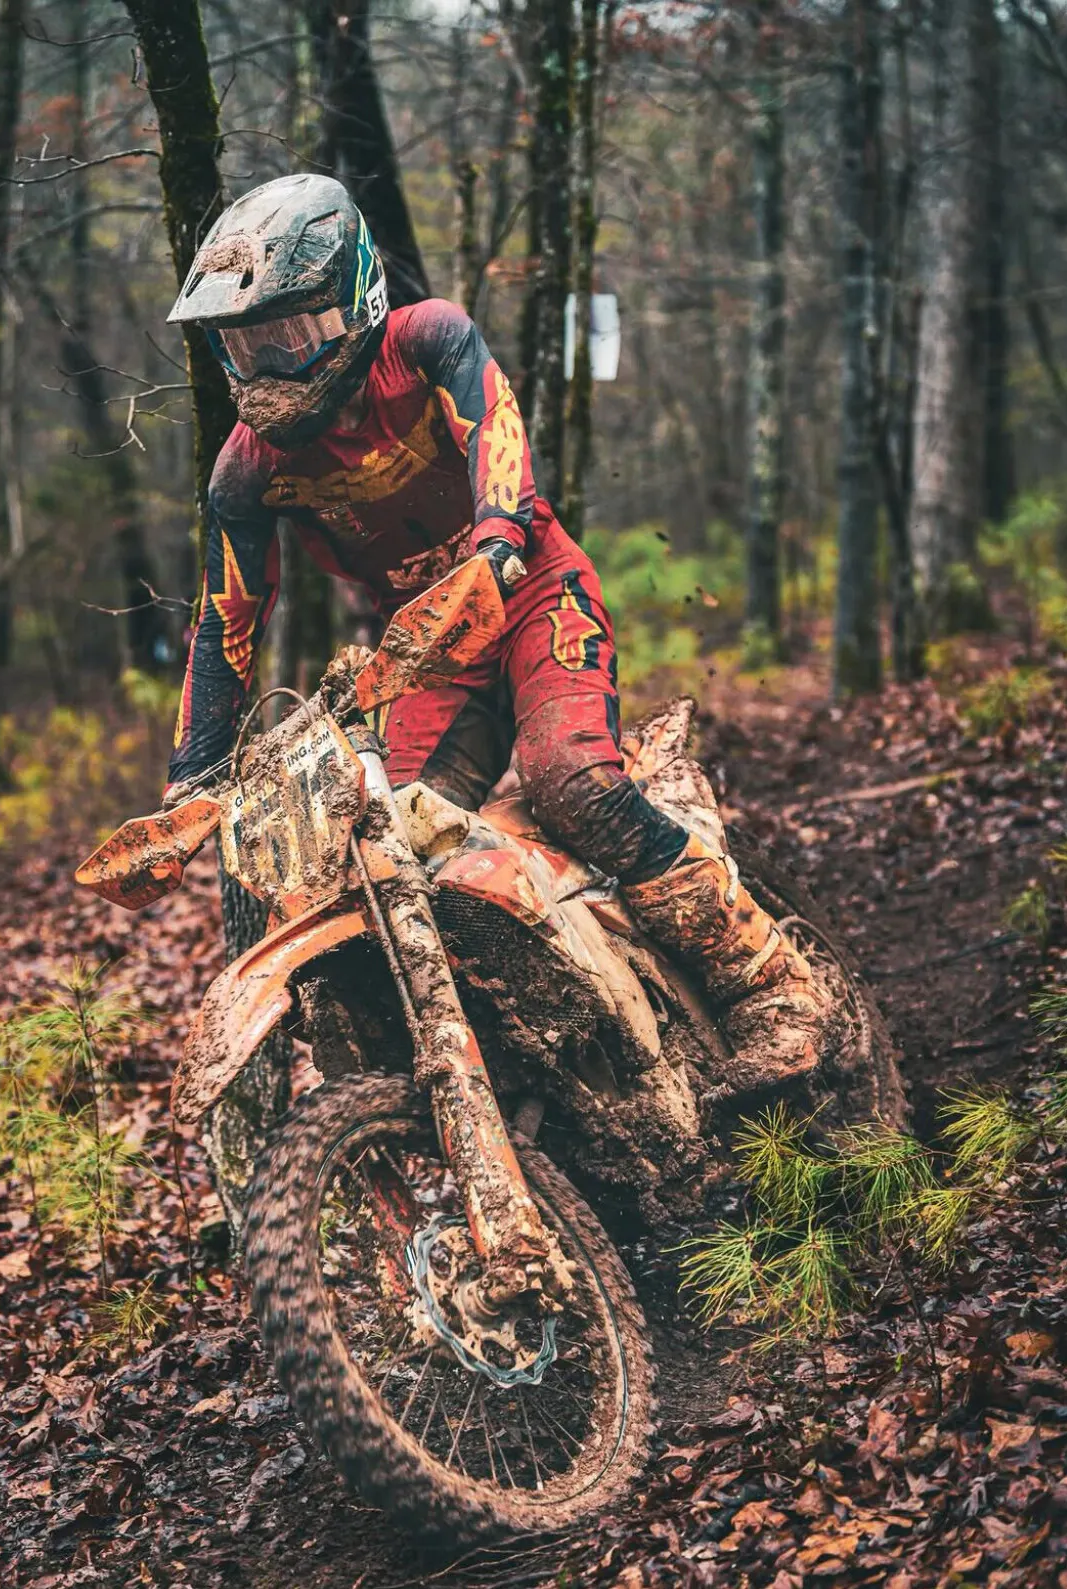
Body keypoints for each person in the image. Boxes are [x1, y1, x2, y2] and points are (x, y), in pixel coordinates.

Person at [162, 173, 831, 1089]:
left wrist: (497, 543)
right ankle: (520, 1053)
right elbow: (223, 624)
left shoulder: (426, 339)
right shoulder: (245, 472)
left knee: (571, 782)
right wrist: (187, 785)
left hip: (532, 591)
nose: (275, 368)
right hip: (424, 655)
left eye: (295, 337)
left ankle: (772, 985)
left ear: (353, 298)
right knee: (388, 853)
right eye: (248, 346)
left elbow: (497, 432)